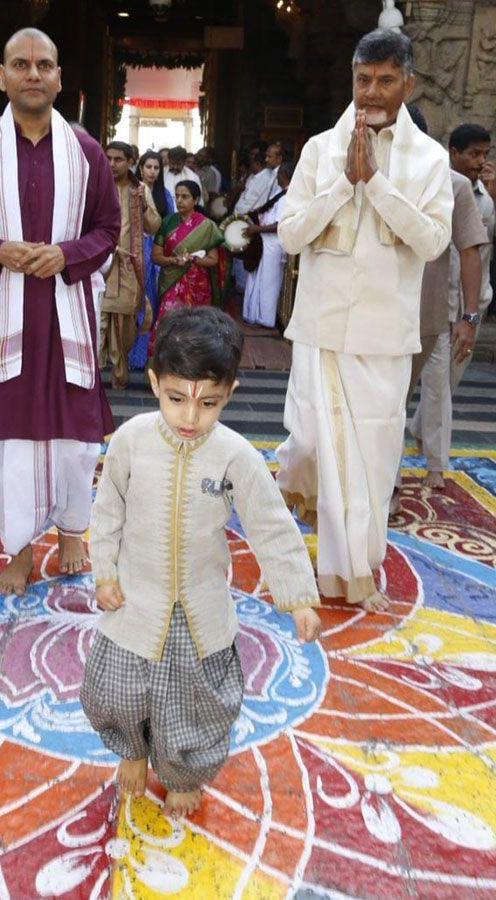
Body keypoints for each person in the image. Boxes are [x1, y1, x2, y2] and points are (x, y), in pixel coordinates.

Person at [81, 306, 321, 817]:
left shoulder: (236, 455)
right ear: (154, 382)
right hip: (133, 602)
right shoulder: (130, 441)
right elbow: (107, 511)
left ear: (229, 393)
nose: (190, 418)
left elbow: (271, 524)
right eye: (176, 399)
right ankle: (133, 750)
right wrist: (104, 573)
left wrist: (298, 597)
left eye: (208, 403)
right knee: (118, 693)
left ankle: (184, 774)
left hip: (200, 613)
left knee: (194, 706)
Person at [0, 28, 120, 594]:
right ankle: (17, 546)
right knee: (1, 443)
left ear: (59, 78)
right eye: (20, 64)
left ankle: (71, 530)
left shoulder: (87, 153)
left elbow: (108, 229)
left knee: (74, 438)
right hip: (0, 322)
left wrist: (67, 255)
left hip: (68, 319)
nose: (33, 73)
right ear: (2, 77)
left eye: (44, 65)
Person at [276, 29, 453, 612]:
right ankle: (303, 493)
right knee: (309, 446)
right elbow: (290, 235)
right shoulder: (319, 150)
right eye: (362, 79)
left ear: (408, 83)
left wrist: (375, 184)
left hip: (383, 338)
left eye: (385, 80)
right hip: (320, 328)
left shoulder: (430, 160)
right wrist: (342, 184)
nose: (372, 92)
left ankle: (352, 572)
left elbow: (433, 241)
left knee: (371, 462)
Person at [392, 111, 487, 502]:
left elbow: (471, 250)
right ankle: (390, 481)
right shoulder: (372, 178)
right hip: (380, 314)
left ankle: (432, 464)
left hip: (433, 313)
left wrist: (469, 317)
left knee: (432, 392)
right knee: (388, 401)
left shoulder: (455, 185)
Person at [101, 142, 161, 388]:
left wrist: (143, 205)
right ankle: (92, 377)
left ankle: (119, 372)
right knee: (98, 321)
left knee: (124, 325)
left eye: (118, 160)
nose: (112, 164)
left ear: (130, 162)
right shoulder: (96, 186)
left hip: (129, 267)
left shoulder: (140, 190)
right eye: (108, 159)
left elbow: (154, 226)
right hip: (100, 266)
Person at [149, 180, 224, 354]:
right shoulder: (167, 222)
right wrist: (174, 261)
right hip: (171, 282)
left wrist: (193, 259)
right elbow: (155, 257)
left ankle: (193, 364)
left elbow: (213, 259)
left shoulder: (207, 226)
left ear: (196, 200)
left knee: (196, 328)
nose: (179, 200)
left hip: (198, 285)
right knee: (167, 324)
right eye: (177, 196)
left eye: (185, 197)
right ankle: (163, 364)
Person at [128, 150, 175, 370]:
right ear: (140, 168)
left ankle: (147, 354)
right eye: (148, 167)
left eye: (156, 168)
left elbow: (169, 226)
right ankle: (129, 354)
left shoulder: (165, 195)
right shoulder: (132, 191)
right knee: (135, 302)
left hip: (157, 251)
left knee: (152, 303)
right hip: (135, 250)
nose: (152, 171)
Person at [242, 162, 293, 328]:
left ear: (283, 175)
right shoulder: (281, 193)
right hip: (265, 242)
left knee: (268, 283)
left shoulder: (288, 197)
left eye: (278, 174)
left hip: (273, 244)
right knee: (259, 279)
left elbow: (280, 225)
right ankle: (254, 314)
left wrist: (257, 229)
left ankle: (265, 318)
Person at [232, 143, 276, 294]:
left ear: (257, 163)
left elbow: (254, 202)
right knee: (239, 252)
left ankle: (242, 286)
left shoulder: (266, 177)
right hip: (241, 218)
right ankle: (240, 285)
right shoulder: (254, 177)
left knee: (245, 253)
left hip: (249, 220)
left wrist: (241, 216)